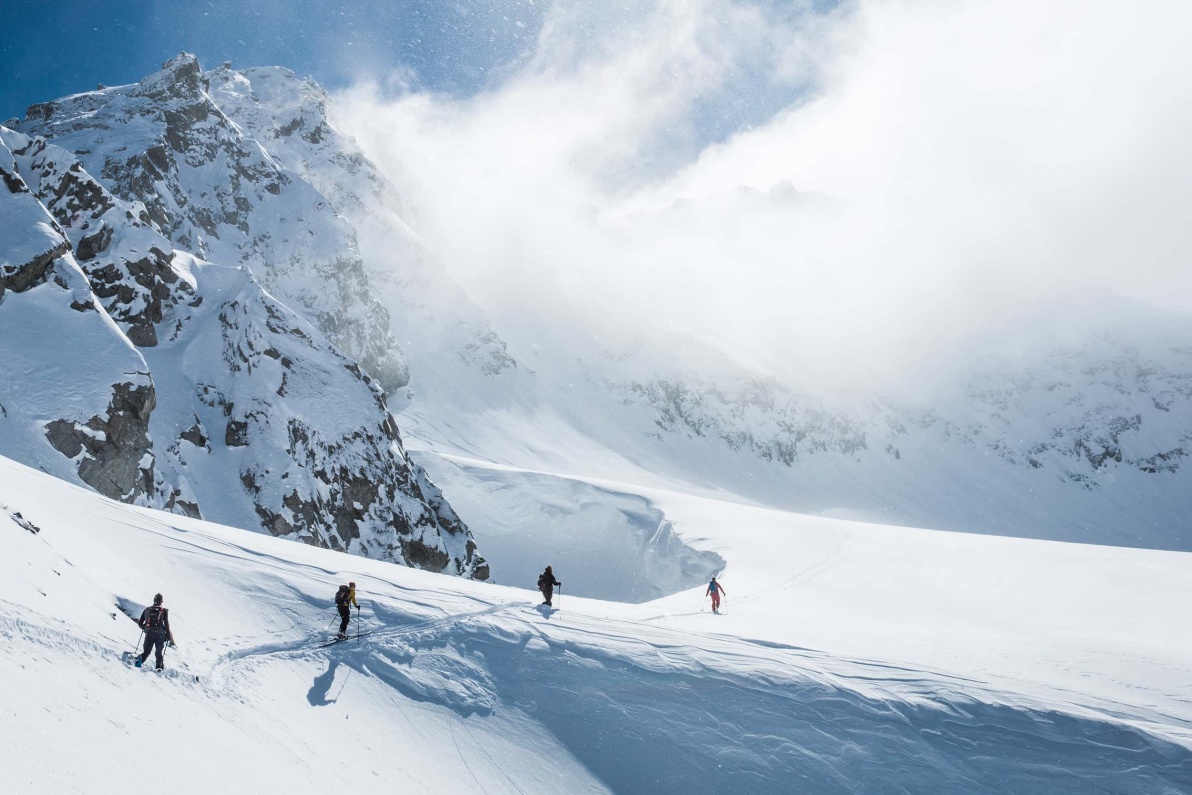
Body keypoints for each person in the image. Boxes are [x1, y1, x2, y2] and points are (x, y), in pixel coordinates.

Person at [136, 593, 175, 669]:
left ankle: (139, 660)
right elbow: (166, 623)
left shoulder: (147, 610)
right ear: (161, 601)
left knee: (147, 651)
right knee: (158, 653)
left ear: (154, 600)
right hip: (160, 635)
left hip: (149, 633)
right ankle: (159, 669)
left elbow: (140, 623)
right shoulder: (163, 611)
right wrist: (168, 635)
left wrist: (144, 627)